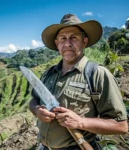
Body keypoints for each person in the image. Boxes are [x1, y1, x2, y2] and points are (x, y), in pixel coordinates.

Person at [30, 14, 128, 150]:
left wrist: (81, 122)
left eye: (74, 38)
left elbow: (121, 126)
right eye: (63, 39)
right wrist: (36, 110)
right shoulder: (48, 74)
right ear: (57, 44)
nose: (67, 44)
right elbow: (34, 99)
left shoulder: (97, 74)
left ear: (85, 41)